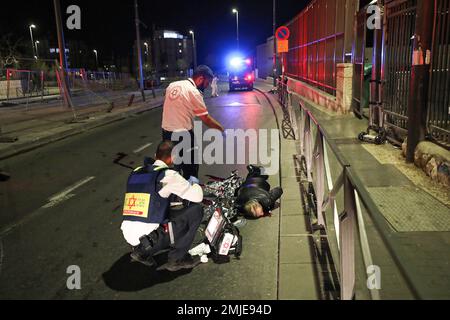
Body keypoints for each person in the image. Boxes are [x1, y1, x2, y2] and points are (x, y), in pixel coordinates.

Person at [121, 141, 205, 272]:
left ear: (155, 155)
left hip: (128, 233)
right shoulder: (168, 175)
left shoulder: (137, 172)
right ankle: (177, 259)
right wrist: (193, 182)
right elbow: (198, 196)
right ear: (174, 158)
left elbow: (156, 197)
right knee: (196, 210)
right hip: (147, 237)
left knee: (171, 211)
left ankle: (142, 250)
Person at [162, 65, 225, 180]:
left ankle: (172, 193)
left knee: (170, 168)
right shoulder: (194, 92)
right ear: (201, 79)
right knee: (191, 169)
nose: (207, 86)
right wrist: (221, 129)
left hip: (166, 134)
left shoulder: (172, 85)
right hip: (183, 136)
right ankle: (190, 195)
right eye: (207, 82)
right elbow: (206, 119)